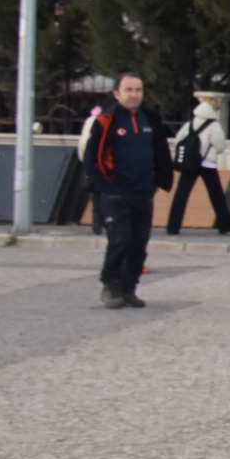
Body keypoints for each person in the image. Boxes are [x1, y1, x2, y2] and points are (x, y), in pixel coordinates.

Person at [81, 71, 171, 308]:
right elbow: (90, 159)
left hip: (143, 192)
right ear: (117, 93)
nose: (134, 95)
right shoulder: (106, 121)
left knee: (138, 244)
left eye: (138, 90)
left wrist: (157, 181)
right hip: (115, 192)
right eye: (129, 90)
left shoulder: (149, 119)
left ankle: (129, 288)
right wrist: (105, 188)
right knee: (121, 240)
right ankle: (110, 284)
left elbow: (159, 151)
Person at [165, 88, 230, 237]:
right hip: (207, 164)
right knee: (216, 195)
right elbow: (220, 145)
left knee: (181, 195)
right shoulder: (214, 125)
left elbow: (179, 141)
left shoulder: (190, 124)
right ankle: (225, 225)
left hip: (189, 164)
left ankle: (173, 226)